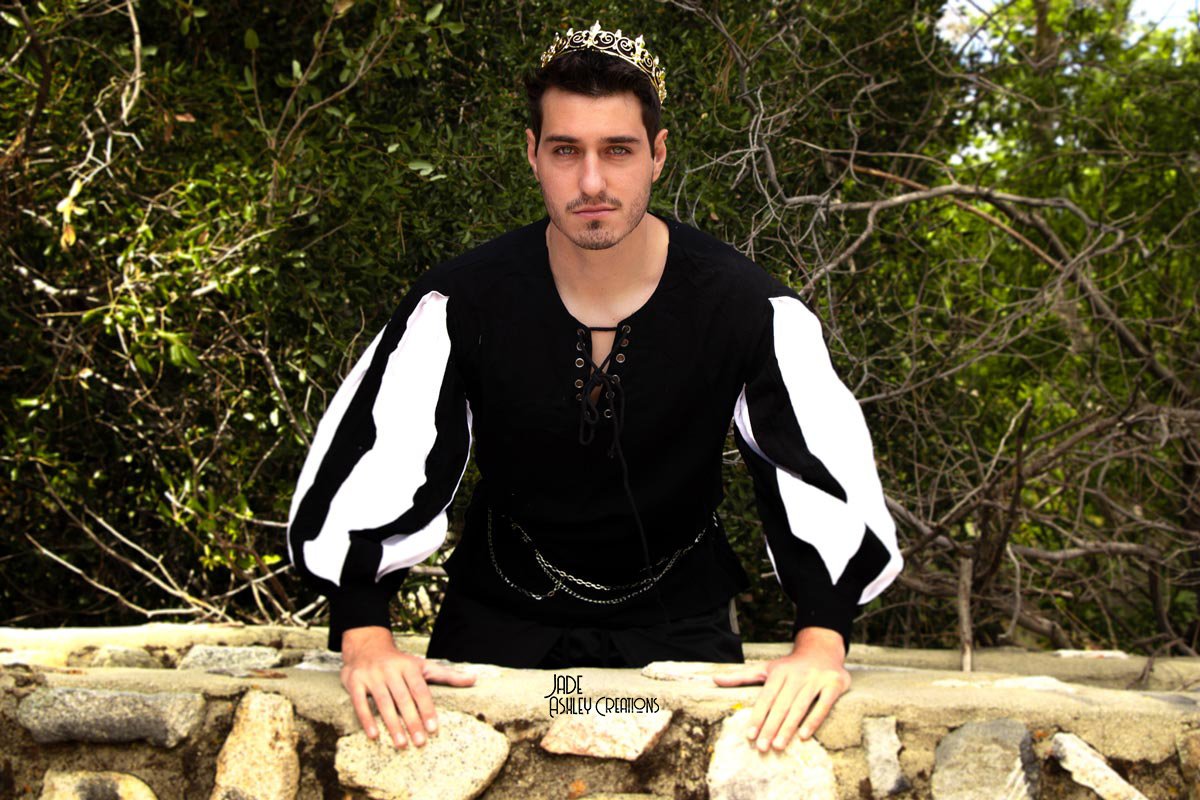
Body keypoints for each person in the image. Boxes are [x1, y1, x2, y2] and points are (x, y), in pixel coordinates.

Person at [287, 21, 901, 756]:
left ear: (658, 155)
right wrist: (363, 634)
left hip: (681, 629)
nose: (591, 183)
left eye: (617, 150)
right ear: (532, 155)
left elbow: (818, 468)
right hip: (494, 623)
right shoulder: (460, 304)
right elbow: (377, 455)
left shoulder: (748, 309)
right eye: (565, 150)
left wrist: (821, 640)